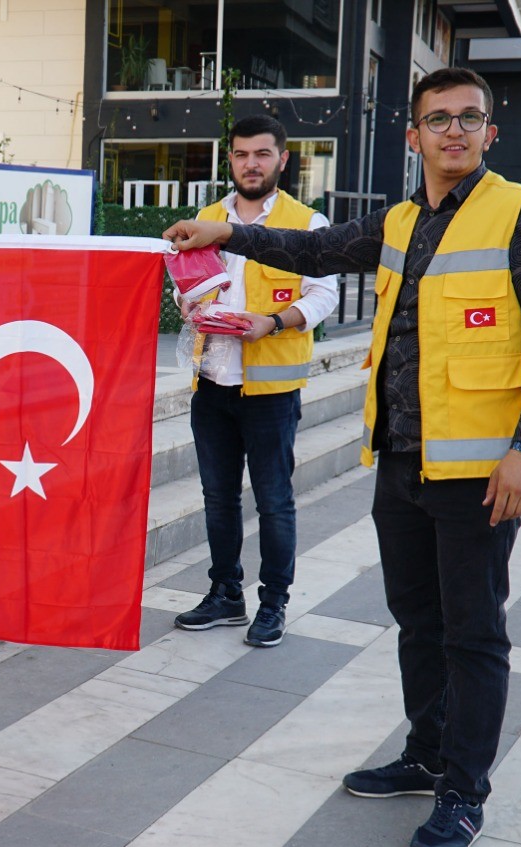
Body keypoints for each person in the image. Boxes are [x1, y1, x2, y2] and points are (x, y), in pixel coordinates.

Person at [165, 67, 521, 847]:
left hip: (478, 471)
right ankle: (427, 754)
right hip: (400, 461)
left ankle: (464, 791)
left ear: (489, 133)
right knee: (417, 622)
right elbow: (314, 245)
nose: (454, 131)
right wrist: (228, 234)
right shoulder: (397, 221)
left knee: (473, 633)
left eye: (469, 119)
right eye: (439, 119)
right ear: (414, 135)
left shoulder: (518, 214)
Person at [171, 115, 336, 648]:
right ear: (231, 160)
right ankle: (226, 595)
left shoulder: (306, 223)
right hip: (212, 381)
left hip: (271, 389)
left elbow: (323, 295)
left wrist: (273, 322)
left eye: (262, 154)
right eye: (241, 154)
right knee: (217, 498)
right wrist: (190, 304)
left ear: (282, 160)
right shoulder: (206, 217)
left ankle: (273, 603)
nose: (251, 163)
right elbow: (186, 286)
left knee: (273, 500)